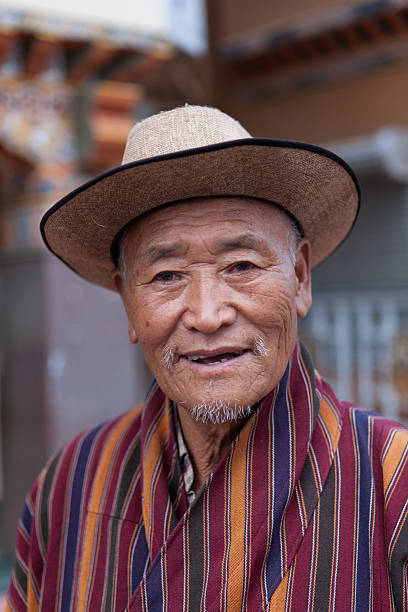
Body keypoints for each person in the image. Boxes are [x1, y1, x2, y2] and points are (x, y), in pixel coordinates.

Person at [6, 105, 408, 611]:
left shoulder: (394, 486)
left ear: (301, 277)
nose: (207, 314)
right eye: (166, 276)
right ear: (127, 301)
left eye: (241, 264)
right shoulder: (67, 488)